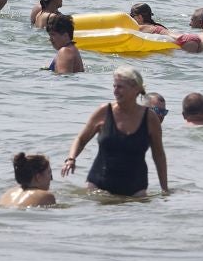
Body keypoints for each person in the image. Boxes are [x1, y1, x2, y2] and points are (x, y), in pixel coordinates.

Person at [62, 65, 169, 197]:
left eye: (120, 87)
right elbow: (81, 139)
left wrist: (165, 190)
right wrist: (71, 159)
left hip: (135, 189)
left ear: (136, 89)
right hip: (99, 186)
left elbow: (159, 155)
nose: (115, 91)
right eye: (114, 86)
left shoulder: (150, 118)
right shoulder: (103, 112)